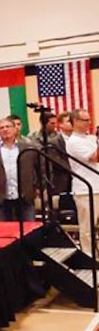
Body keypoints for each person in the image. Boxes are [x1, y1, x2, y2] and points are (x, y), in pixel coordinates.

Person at [0, 116, 39, 222]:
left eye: (8, 126)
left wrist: (38, 187)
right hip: (1, 197)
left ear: (14, 128)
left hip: (25, 196)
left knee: (29, 229)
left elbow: (39, 169)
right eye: (1, 128)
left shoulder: (28, 148)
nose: (5, 129)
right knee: (2, 231)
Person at [65, 108, 99, 257]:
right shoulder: (73, 141)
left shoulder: (90, 138)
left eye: (89, 119)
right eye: (85, 120)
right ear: (76, 122)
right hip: (85, 189)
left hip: (97, 185)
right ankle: (88, 257)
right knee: (87, 227)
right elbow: (93, 158)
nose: (89, 123)